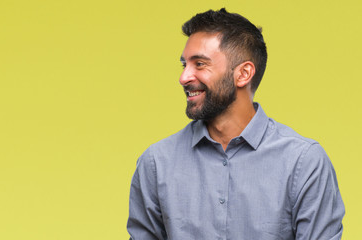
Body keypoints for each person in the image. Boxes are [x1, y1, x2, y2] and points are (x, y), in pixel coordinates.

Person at [127, 8, 344, 240]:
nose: (184, 77)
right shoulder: (156, 163)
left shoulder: (304, 163)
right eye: (184, 65)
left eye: (199, 64)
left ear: (243, 74)